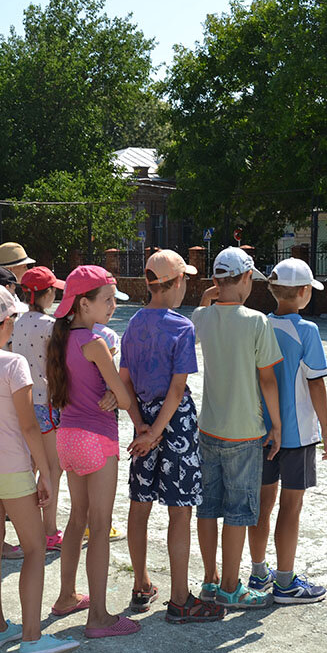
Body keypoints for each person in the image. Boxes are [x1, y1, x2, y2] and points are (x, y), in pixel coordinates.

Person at [0, 285, 80, 653]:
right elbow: (28, 427)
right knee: (35, 548)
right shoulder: (12, 364)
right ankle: (32, 637)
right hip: (10, 468)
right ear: (7, 322)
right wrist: (46, 473)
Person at [120, 250, 224, 623]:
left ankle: (141, 584)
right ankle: (181, 598)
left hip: (143, 421)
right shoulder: (181, 327)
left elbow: (125, 384)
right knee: (180, 512)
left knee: (140, 505)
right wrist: (159, 431)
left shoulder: (132, 325)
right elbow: (178, 389)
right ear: (177, 282)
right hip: (173, 423)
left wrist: (144, 429)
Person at [47, 266, 140, 637]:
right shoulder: (95, 342)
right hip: (96, 441)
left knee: (76, 521)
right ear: (83, 304)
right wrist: (117, 397)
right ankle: (99, 617)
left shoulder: (60, 338)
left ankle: (66, 596)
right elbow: (124, 394)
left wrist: (110, 393)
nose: (113, 306)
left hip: (67, 438)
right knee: (99, 528)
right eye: (107, 300)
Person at [193, 247, 282, 609]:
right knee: (237, 512)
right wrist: (275, 425)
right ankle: (232, 586)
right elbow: (268, 381)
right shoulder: (257, 322)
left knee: (207, 508)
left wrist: (211, 293)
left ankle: (211, 580)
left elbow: (202, 310)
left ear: (215, 281)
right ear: (246, 278)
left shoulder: (201, 317)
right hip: (244, 432)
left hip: (208, 428)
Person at [247, 258, 327, 604]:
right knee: (291, 506)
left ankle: (258, 573)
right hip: (297, 435)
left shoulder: (259, 326)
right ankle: (285, 582)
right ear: (303, 292)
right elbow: (316, 384)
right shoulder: (307, 331)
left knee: (262, 506)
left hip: (260, 431)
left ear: (271, 289)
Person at [11, 266, 66, 552]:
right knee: (52, 468)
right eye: (53, 290)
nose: (56, 293)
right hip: (46, 402)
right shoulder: (50, 325)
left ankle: (27, 525)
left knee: (28, 466)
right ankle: (49, 530)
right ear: (45, 294)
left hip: (22, 401)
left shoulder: (18, 321)